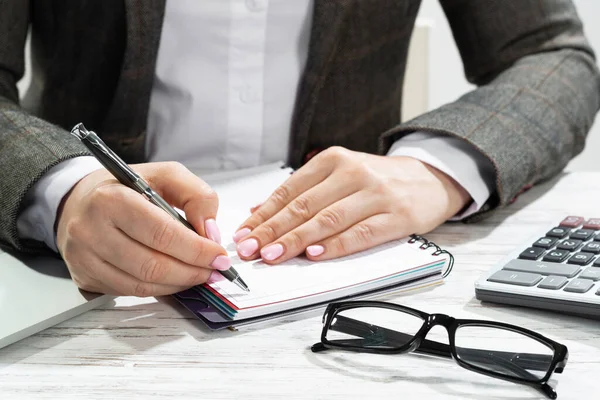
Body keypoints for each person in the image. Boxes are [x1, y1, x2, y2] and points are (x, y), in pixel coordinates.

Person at [1, 0, 598, 297]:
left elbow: (554, 57)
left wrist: (433, 170)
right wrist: (63, 188)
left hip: (352, 280)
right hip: (69, 278)